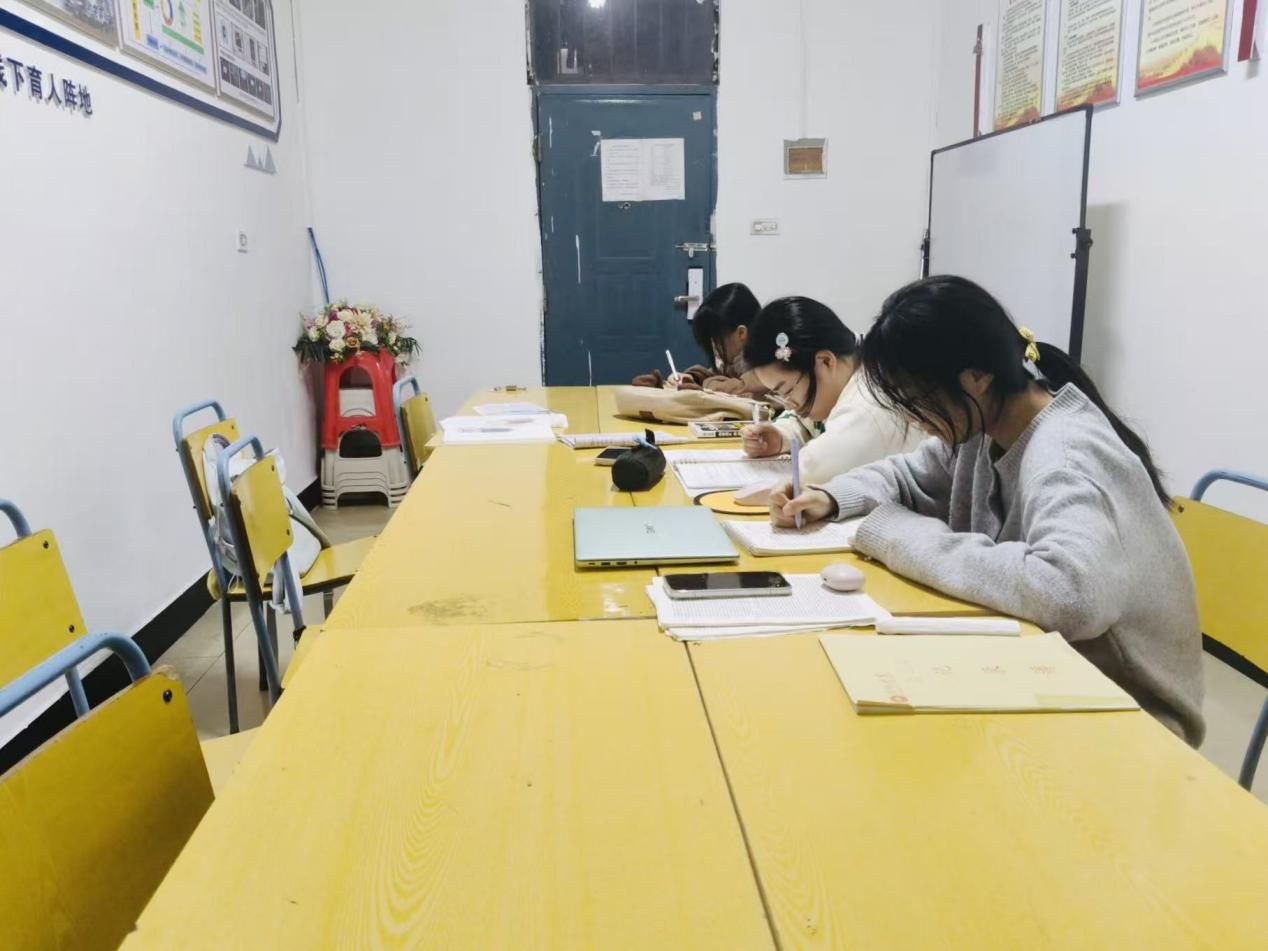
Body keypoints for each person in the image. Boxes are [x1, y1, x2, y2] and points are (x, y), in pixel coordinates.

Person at [772, 276, 1204, 745]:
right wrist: (832, 498)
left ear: (976, 378)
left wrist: (895, 533)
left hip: (1131, 716)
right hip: (1047, 671)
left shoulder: (1066, 454)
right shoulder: (980, 428)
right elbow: (908, 475)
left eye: (916, 401)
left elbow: (1070, 594)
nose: (914, 420)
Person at [739, 296, 922, 484]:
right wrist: (781, 436)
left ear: (825, 362)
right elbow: (804, 422)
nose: (789, 405)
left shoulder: (870, 403)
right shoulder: (842, 379)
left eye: (787, 390)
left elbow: (815, 469)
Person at [631, 283, 770, 397]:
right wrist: (688, 379)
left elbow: (744, 389)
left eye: (717, 340)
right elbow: (717, 374)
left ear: (741, 333)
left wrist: (704, 387)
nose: (714, 347)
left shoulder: (771, 363)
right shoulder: (736, 362)